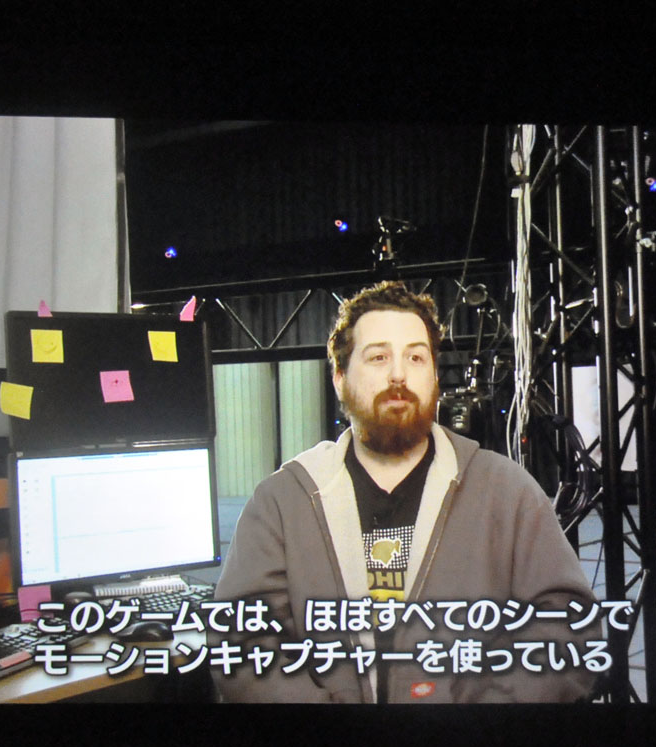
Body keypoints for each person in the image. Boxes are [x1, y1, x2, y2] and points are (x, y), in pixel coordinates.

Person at [211, 281, 603, 703]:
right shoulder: (283, 501)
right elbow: (242, 641)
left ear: (434, 376)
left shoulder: (507, 492)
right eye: (378, 357)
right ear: (340, 378)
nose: (398, 374)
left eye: (415, 357)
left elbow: (568, 627)